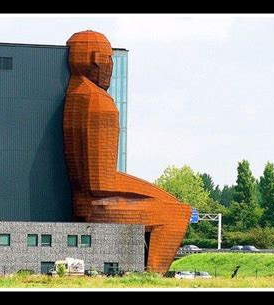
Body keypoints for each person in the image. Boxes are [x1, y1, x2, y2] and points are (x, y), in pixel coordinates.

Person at [63, 30, 192, 273]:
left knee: (169, 205)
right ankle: (153, 275)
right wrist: (161, 194)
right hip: (97, 206)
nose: (110, 66)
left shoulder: (74, 97)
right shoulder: (100, 103)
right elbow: (100, 181)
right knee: (176, 212)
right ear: (96, 59)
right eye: (109, 58)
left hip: (78, 202)